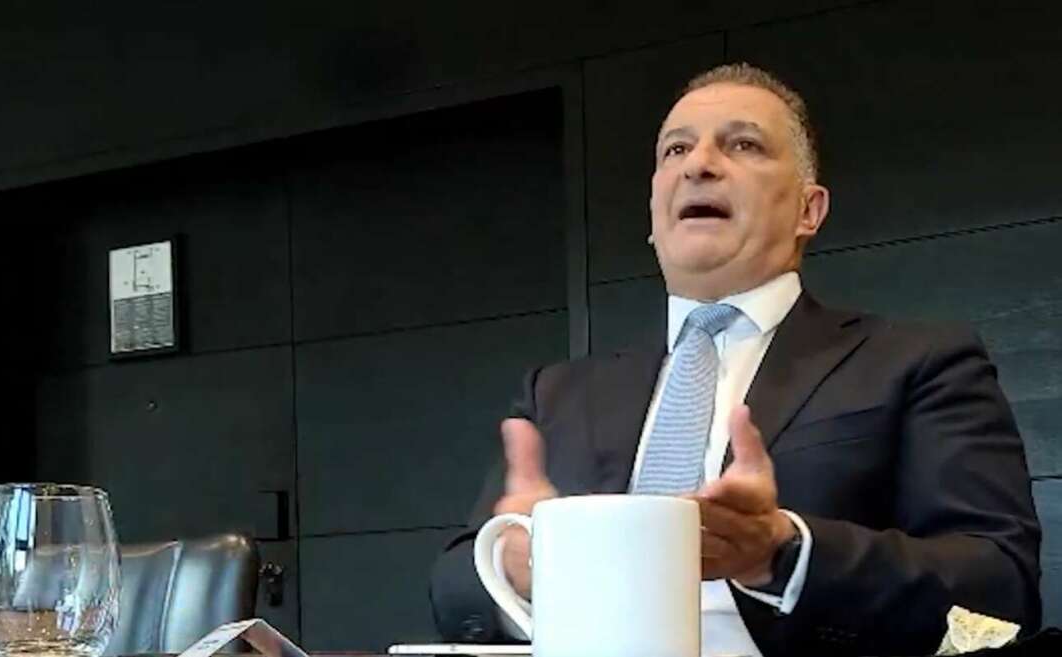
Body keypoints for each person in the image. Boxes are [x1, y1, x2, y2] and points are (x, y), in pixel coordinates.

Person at [429, 63, 1042, 657]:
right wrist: (516, 567)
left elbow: (999, 588)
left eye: (743, 144)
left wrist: (782, 554)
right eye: (675, 150)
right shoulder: (557, 393)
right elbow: (454, 587)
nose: (698, 165)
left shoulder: (917, 361)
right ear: (653, 216)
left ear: (808, 210)